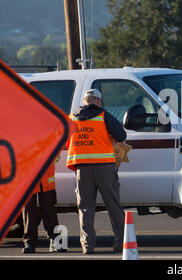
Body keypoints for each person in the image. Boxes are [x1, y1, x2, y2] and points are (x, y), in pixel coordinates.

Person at [66, 89, 127, 254]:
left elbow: (65, 140)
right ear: (99, 102)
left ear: (85, 101)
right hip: (104, 167)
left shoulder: (71, 118)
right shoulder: (103, 115)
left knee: (85, 208)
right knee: (113, 205)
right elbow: (121, 135)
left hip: (82, 168)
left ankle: (87, 246)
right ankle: (121, 242)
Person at [22, 161, 66, 254]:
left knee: (49, 209)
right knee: (28, 210)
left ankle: (55, 240)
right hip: (28, 173)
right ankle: (29, 242)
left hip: (46, 175)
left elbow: (56, 150)